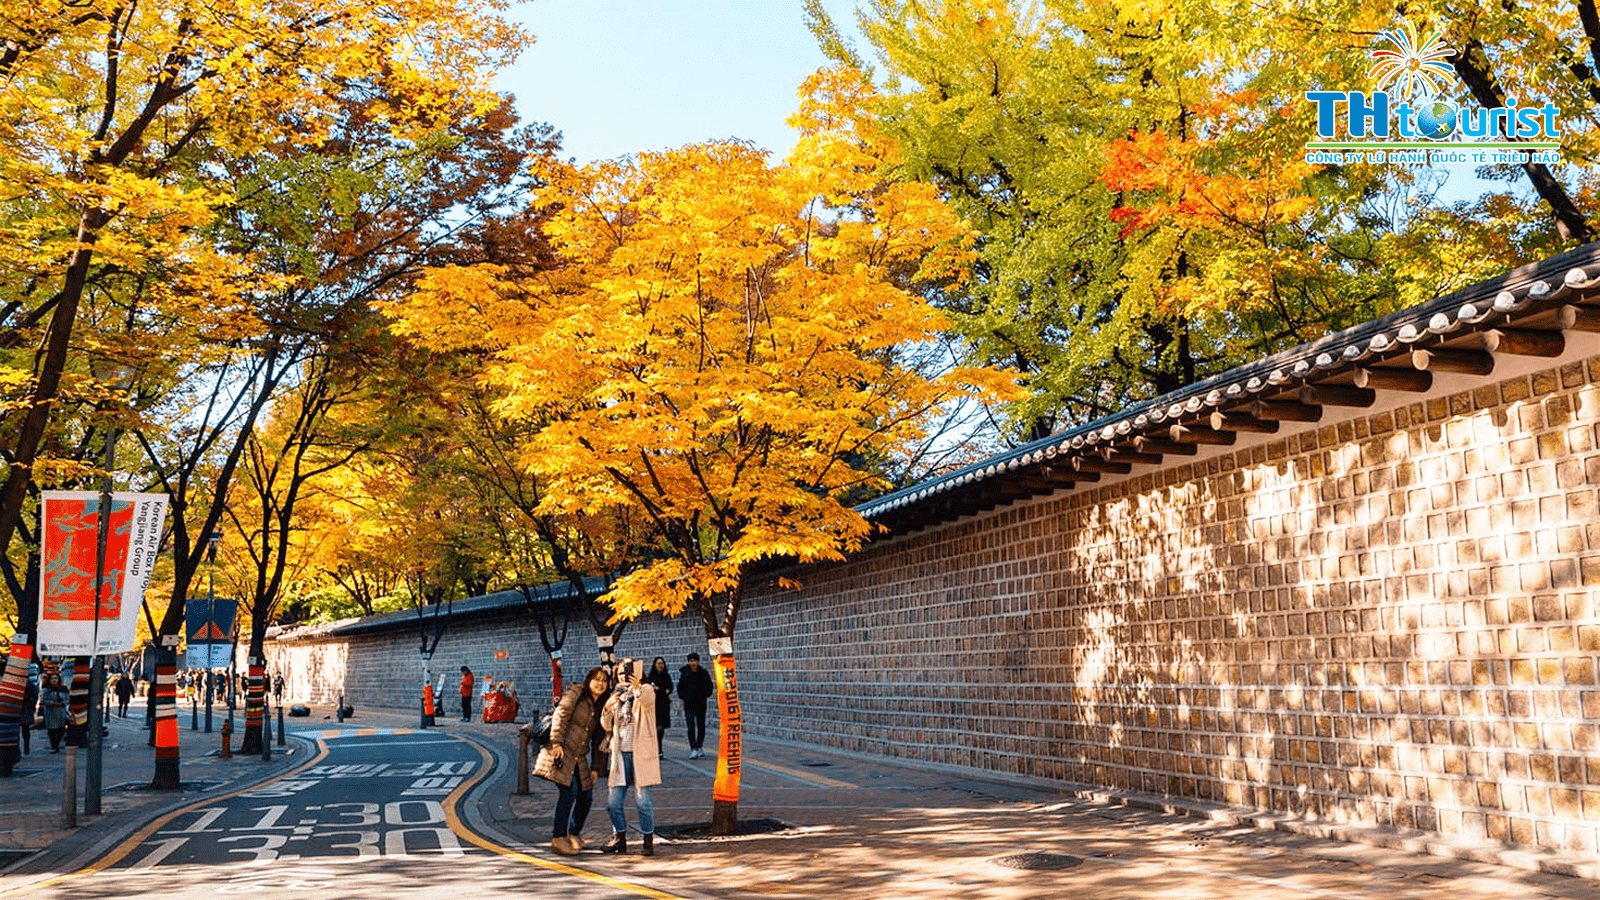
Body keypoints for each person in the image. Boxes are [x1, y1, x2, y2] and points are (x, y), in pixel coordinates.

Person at [532, 666, 610, 856]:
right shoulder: (576, 693)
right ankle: (558, 838)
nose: (600, 684)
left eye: (604, 681)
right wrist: (556, 742)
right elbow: (560, 716)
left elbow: (600, 738)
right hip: (560, 751)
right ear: (588, 680)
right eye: (596, 679)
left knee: (586, 796)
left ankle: (574, 833)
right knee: (569, 793)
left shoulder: (602, 705)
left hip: (579, 756)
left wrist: (596, 768)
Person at [600, 659, 660, 856]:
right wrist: (608, 707)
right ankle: (620, 838)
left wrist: (636, 687)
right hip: (620, 755)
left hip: (641, 755)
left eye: (628, 672)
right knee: (613, 802)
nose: (624, 677)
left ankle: (648, 840)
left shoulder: (646, 689)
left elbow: (647, 702)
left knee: (643, 801)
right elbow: (607, 726)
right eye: (619, 674)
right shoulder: (616, 696)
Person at [677, 652, 714, 759]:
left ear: (698, 661)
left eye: (695, 660)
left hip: (701, 703)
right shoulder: (684, 673)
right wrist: (684, 696)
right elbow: (680, 687)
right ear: (688, 662)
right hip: (689, 704)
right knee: (691, 725)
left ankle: (700, 746)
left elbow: (709, 686)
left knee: (701, 725)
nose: (693, 663)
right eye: (691, 661)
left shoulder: (703, 673)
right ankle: (693, 748)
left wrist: (705, 694)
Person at [644, 656, 672, 750]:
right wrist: (661, 690)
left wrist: (659, 689)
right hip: (653, 706)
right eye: (658, 663)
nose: (660, 665)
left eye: (662, 663)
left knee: (661, 729)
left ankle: (659, 747)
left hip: (663, 706)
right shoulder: (651, 677)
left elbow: (669, 690)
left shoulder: (666, 677)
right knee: (655, 728)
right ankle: (656, 748)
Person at [40, 673, 69, 753]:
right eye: (52, 678)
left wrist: (62, 703)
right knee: (52, 730)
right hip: (50, 712)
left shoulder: (63, 689)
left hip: (61, 712)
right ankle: (54, 746)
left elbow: (68, 699)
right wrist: (52, 703)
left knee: (61, 729)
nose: (54, 680)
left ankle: (57, 744)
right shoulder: (46, 689)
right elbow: (43, 700)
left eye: (55, 678)